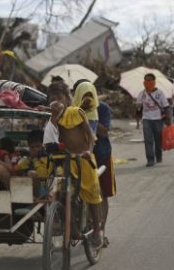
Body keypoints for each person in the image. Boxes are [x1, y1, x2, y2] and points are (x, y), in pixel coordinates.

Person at [46, 81, 103, 247]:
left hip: (84, 159)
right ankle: (72, 228)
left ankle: (98, 231)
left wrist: (89, 151)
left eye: (59, 97)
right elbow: (52, 136)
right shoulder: (52, 117)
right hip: (66, 160)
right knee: (62, 192)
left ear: (67, 99)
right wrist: (54, 116)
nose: (56, 101)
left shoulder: (76, 112)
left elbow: (90, 135)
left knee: (92, 194)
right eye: (52, 98)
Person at [72, 80, 115, 248]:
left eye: (90, 94)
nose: (87, 97)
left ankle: (101, 232)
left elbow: (104, 132)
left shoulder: (102, 108)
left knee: (102, 194)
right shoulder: (71, 110)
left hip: (101, 155)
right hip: (80, 158)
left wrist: (91, 116)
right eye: (83, 93)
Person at [136, 73, 170, 167]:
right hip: (146, 119)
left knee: (158, 140)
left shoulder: (160, 93)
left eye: (149, 80)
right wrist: (138, 110)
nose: (147, 82)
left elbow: (166, 107)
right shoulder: (141, 94)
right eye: (145, 80)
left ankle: (158, 156)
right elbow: (138, 109)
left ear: (154, 82)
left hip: (158, 120)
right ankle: (150, 159)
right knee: (148, 140)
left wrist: (168, 121)